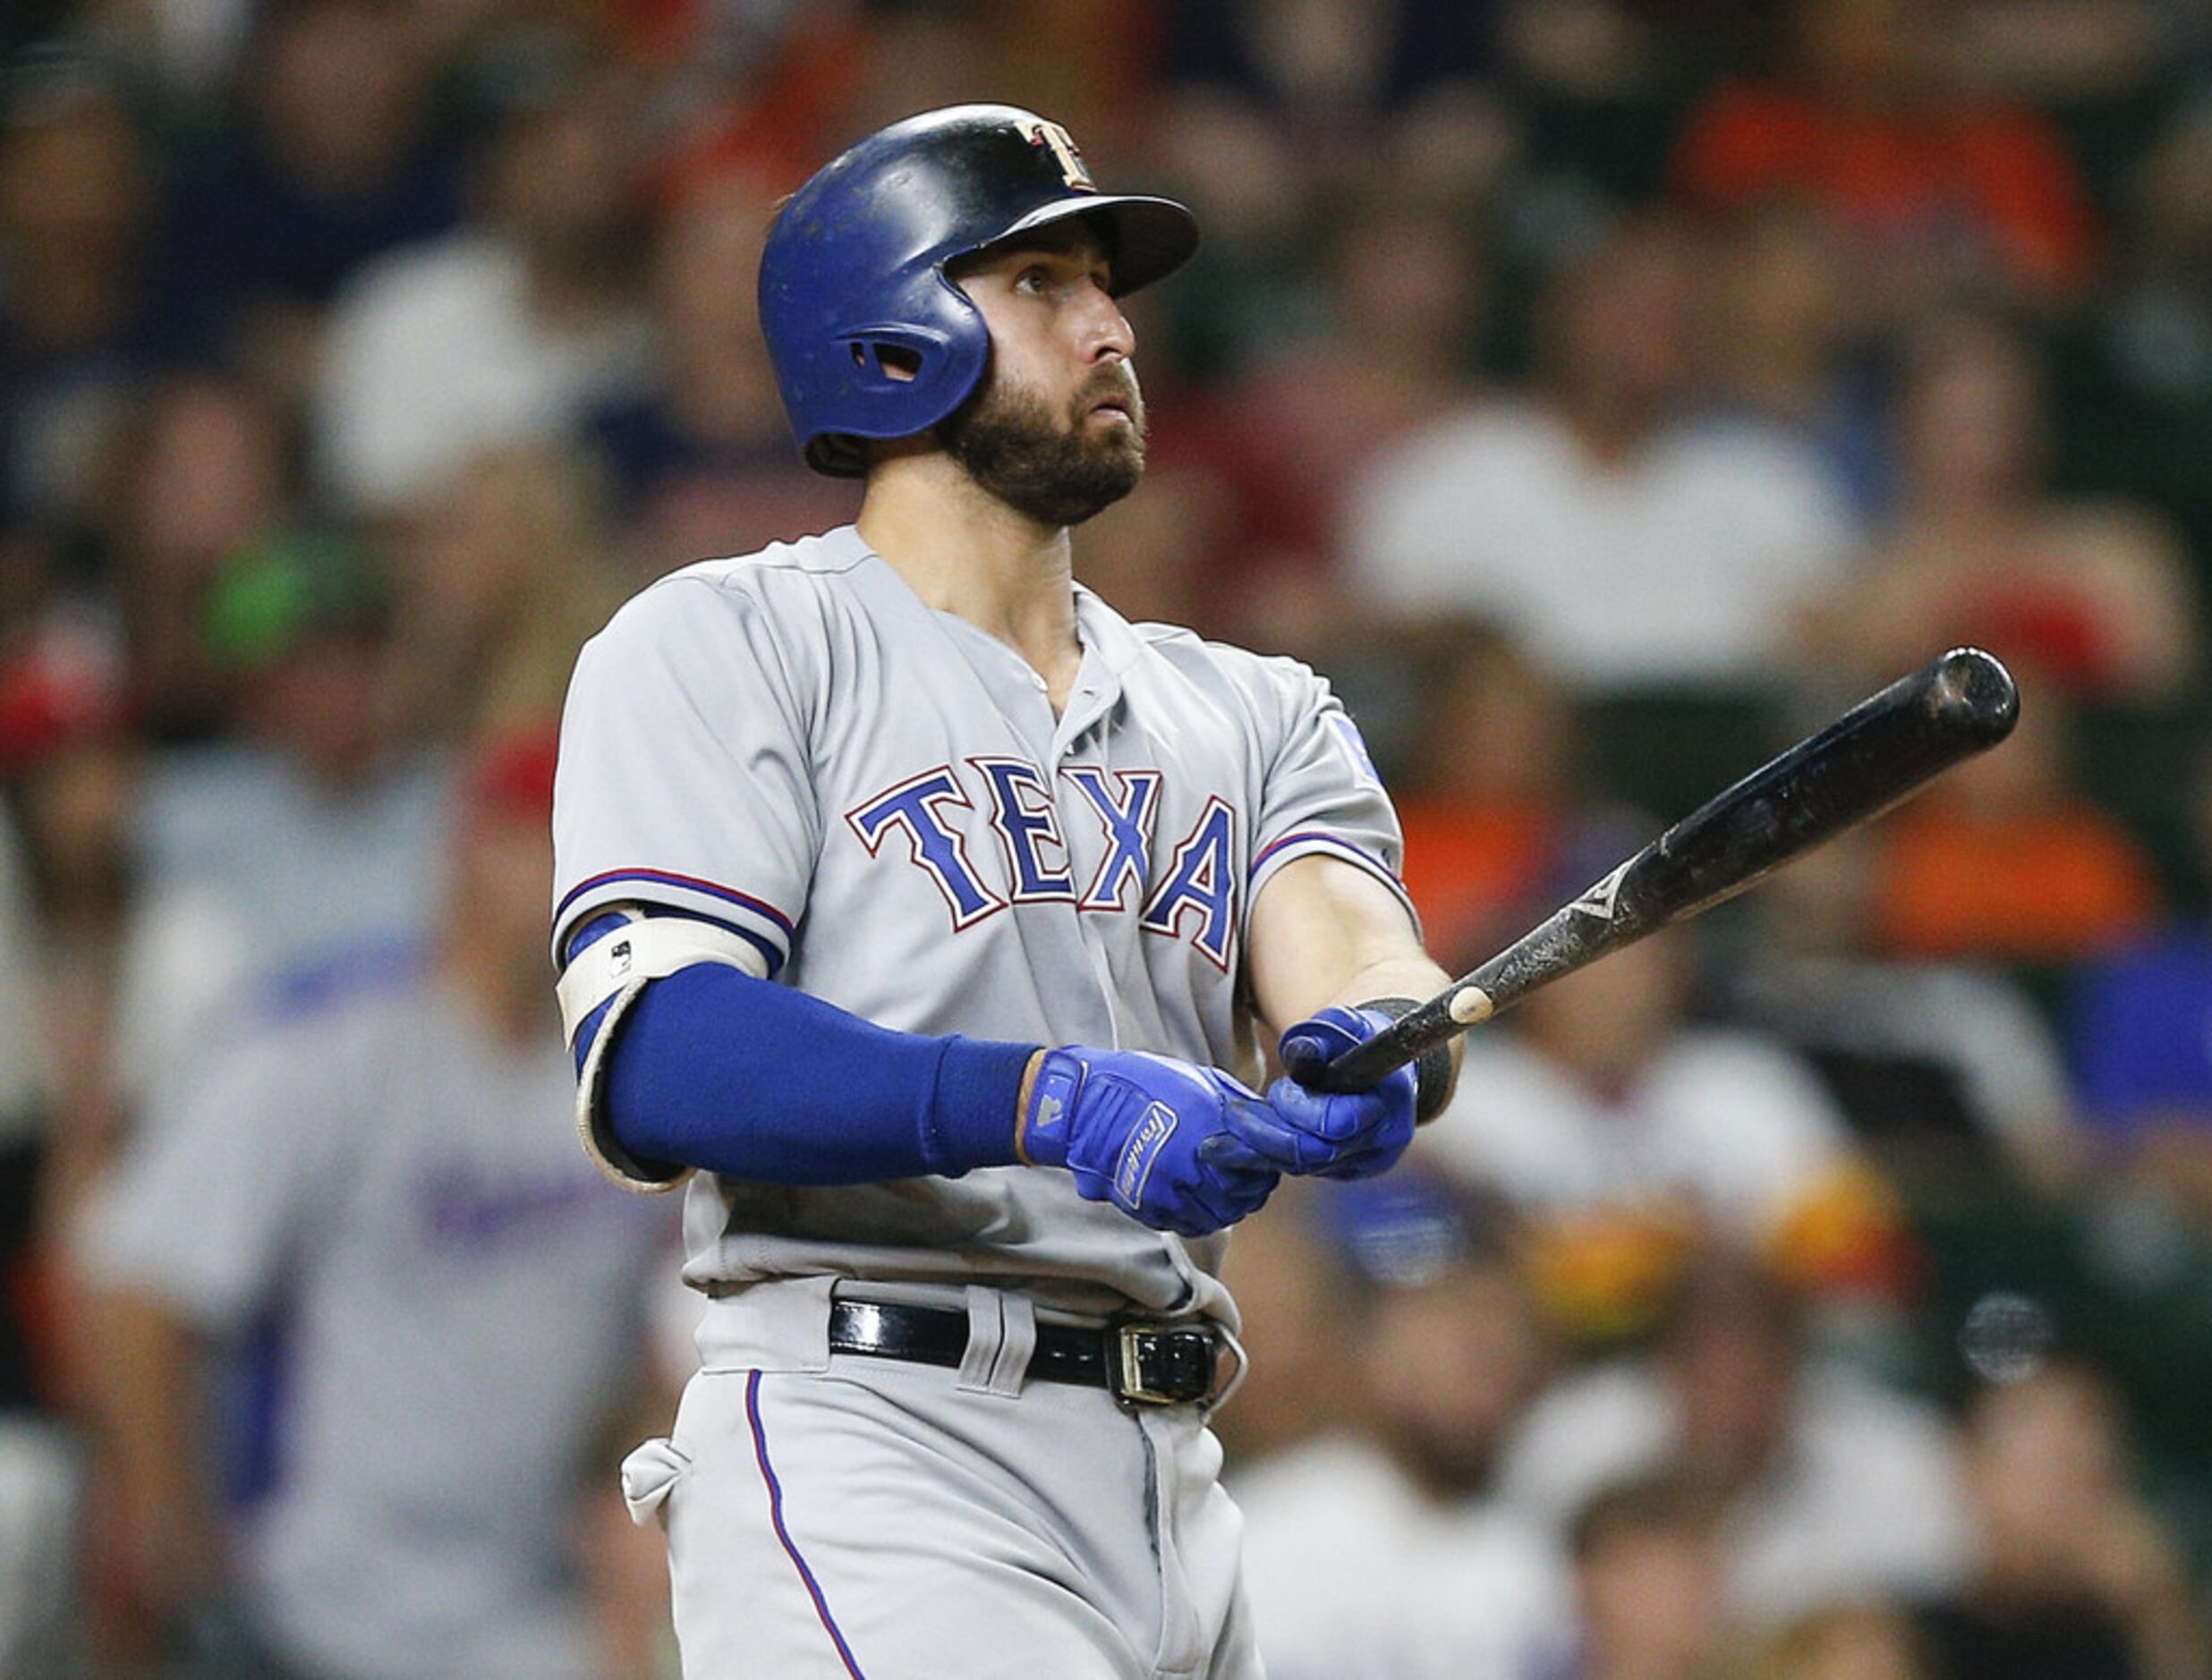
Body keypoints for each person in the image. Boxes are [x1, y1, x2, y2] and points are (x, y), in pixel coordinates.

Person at [550, 104, 1459, 1676]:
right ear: (886, 333)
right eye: (1041, 282)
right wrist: (1045, 1098)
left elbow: (1346, 938)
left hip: (1173, 1466)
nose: (1112, 326)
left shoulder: (1254, 706)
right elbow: (660, 1050)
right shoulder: (730, 639)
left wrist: (1381, 1041)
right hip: (875, 1432)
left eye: (1106, 286)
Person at [71, 723, 677, 1676]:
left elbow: (662, 1349)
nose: (583, 886)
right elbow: (136, 1284)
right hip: (316, 1608)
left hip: (533, 1604)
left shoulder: (622, 1074)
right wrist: (166, 1529)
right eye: (554, 846)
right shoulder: (335, 1041)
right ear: (473, 850)